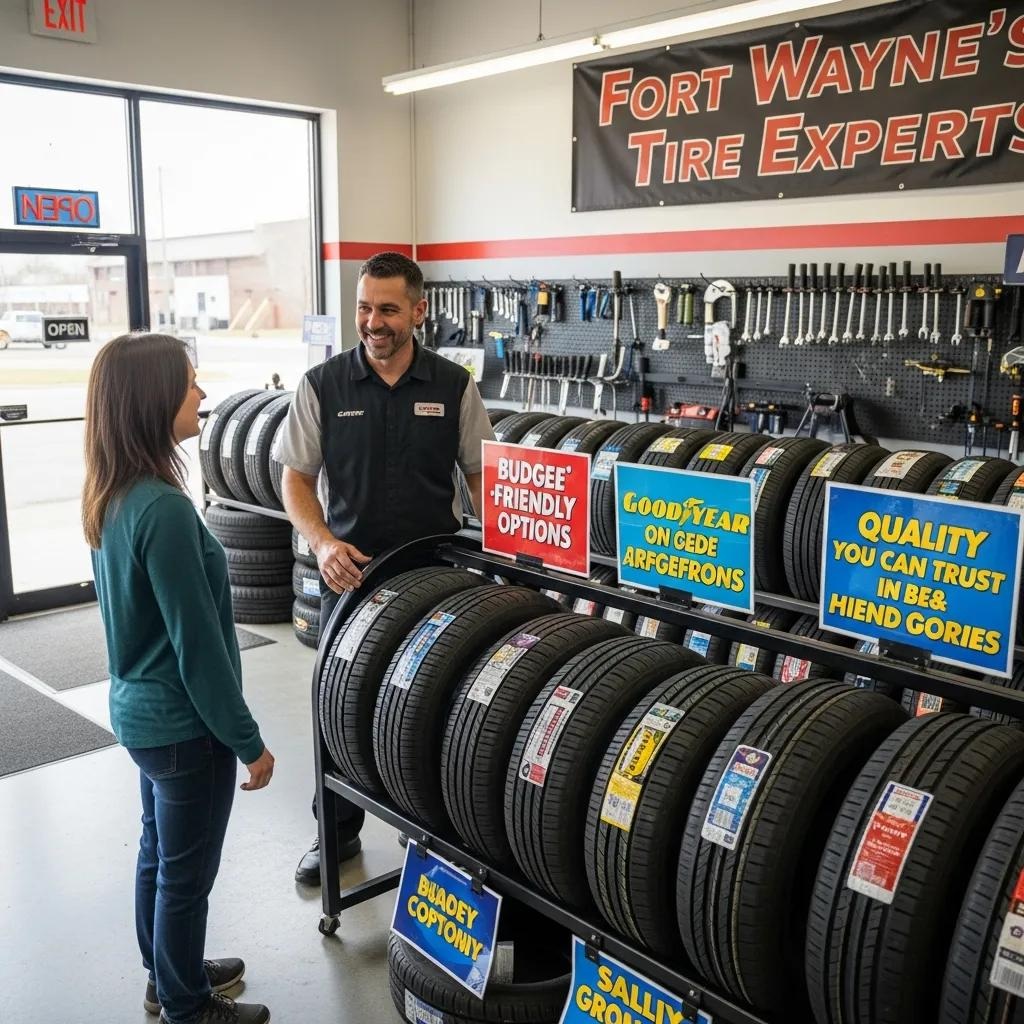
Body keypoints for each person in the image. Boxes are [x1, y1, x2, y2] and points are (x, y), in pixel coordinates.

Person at [276, 251, 494, 885]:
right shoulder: (322, 386)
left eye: (388, 309)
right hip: (352, 573)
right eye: (364, 308)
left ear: (419, 311)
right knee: (339, 703)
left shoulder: (454, 386)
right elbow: (295, 479)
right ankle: (336, 832)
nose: (373, 322)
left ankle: (428, 826)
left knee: (434, 702)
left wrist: (505, 546)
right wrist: (322, 544)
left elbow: (481, 475)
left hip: (437, 577)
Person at [83, 333, 275, 1024]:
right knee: (185, 877)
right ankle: (187, 1006)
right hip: (183, 726)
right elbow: (199, 649)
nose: (201, 394)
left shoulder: (114, 493)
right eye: (190, 382)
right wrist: (248, 742)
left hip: (141, 716)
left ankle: (165, 976)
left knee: (158, 854)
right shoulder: (162, 510)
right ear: (153, 398)